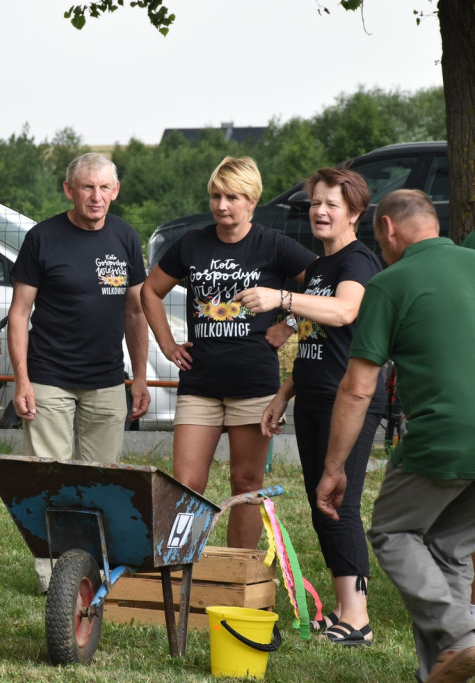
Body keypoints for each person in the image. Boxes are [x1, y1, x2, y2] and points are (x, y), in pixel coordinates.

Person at [317, 190, 475, 681]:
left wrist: (334, 469)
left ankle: (463, 634)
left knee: (393, 531)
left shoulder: (389, 283)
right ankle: (447, 668)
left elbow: (358, 388)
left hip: (445, 437)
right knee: (448, 550)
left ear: (387, 228)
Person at [236, 168, 383, 646]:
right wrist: (283, 394)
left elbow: (344, 312)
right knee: (323, 504)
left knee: (339, 500)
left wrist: (281, 297)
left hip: (351, 399)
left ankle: (358, 618)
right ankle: (341, 609)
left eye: (331, 205)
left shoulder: (358, 261)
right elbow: (314, 339)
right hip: (315, 394)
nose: (320, 211)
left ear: (355, 213)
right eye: (315, 203)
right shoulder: (319, 268)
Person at [141, 156, 314, 549]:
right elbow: (149, 291)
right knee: (185, 483)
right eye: (216, 196)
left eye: (233, 197)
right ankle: (176, 563)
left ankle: (240, 574)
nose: (222, 205)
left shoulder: (273, 244)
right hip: (199, 383)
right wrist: (167, 344)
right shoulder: (192, 242)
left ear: (252, 200)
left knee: (247, 485)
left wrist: (288, 324)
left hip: (253, 385)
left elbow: (323, 286)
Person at [7, 152, 150, 593]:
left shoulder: (125, 237)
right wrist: (23, 379)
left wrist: (140, 376)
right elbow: (19, 313)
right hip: (49, 376)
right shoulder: (43, 237)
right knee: (52, 478)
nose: (96, 196)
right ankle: (52, 575)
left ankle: (94, 568)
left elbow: (135, 310)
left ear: (116, 191)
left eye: (105, 187)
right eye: (87, 187)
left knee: (102, 481)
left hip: (107, 380)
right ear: (69, 190)